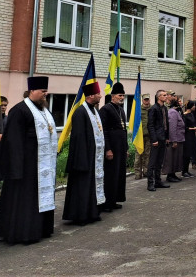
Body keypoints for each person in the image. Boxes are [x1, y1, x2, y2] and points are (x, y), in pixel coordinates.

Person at [0, 76, 57, 244]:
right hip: (26, 165)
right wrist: (16, 168)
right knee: (24, 200)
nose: (45, 94)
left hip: (41, 164)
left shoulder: (44, 111)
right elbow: (13, 141)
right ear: (31, 91)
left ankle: (41, 229)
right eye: (43, 91)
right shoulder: (19, 110)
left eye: (46, 91)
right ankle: (23, 233)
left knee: (38, 198)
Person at [62, 82, 105, 225]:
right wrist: (82, 159)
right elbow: (78, 138)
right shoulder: (80, 112)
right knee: (82, 187)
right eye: (98, 94)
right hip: (83, 158)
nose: (100, 96)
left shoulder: (94, 111)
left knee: (91, 186)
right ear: (91, 95)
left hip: (94, 157)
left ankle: (92, 212)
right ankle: (80, 216)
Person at [99, 82, 128, 211]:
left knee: (119, 174)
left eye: (123, 95)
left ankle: (114, 199)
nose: (122, 97)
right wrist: (108, 149)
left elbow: (124, 130)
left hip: (121, 147)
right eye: (120, 95)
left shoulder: (121, 110)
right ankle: (106, 202)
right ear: (113, 96)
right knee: (110, 175)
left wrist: (126, 148)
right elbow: (104, 131)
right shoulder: (105, 109)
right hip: (112, 147)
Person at [147, 90, 170, 191]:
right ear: (158, 97)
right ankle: (150, 183)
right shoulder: (154, 109)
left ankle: (158, 181)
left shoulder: (164, 108)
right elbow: (150, 125)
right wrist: (154, 139)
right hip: (156, 138)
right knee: (152, 161)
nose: (166, 97)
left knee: (160, 161)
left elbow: (166, 124)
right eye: (164, 95)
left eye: (166, 95)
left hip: (163, 137)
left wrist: (167, 137)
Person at [163, 96, 185, 183]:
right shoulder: (172, 112)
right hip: (175, 140)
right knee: (172, 158)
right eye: (179, 102)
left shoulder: (175, 112)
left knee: (176, 158)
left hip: (178, 139)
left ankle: (173, 174)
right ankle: (170, 175)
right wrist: (174, 140)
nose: (181, 103)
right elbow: (172, 127)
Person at [133, 94, 151, 180]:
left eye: (148, 99)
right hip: (140, 136)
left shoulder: (152, 109)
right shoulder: (138, 109)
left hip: (149, 135)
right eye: (145, 100)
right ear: (142, 100)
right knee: (138, 155)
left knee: (148, 155)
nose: (146, 101)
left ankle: (146, 172)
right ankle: (137, 173)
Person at [181, 101, 196, 179]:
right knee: (186, 154)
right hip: (187, 136)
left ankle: (187, 170)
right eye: (193, 105)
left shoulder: (192, 114)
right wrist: (193, 128)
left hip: (192, 135)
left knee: (190, 152)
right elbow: (184, 127)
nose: (195, 107)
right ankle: (184, 171)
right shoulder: (184, 115)